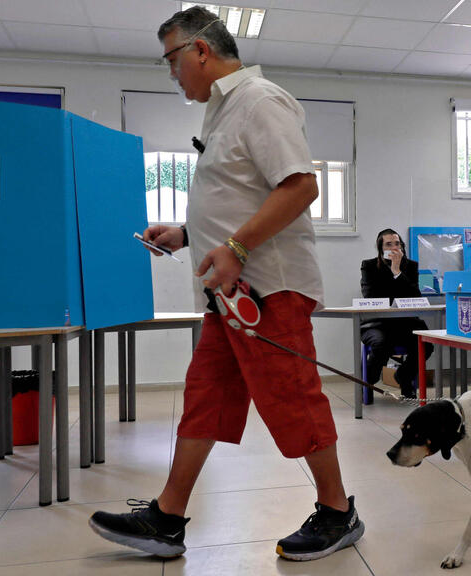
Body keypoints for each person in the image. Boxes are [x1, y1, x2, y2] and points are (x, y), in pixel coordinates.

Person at [88, 6, 363, 562]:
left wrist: (236, 247)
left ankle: (338, 512)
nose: (171, 74)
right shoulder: (223, 113)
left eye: (171, 60)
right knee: (206, 398)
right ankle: (167, 518)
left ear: (199, 50)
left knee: (291, 397)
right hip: (232, 297)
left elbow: (302, 187)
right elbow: (244, 195)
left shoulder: (260, 101)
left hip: (269, 290)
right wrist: (188, 233)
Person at [359, 229, 433, 397]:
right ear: (380, 248)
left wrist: (397, 271)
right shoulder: (369, 266)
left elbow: (415, 296)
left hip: (405, 322)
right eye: (388, 244)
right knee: (381, 343)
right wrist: (393, 276)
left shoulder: (410, 266)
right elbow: (371, 296)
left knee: (426, 344)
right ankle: (368, 381)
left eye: (397, 244)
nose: (394, 248)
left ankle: (404, 375)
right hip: (377, 323)